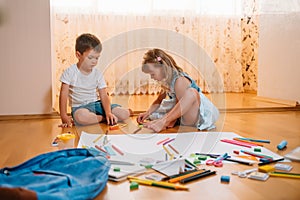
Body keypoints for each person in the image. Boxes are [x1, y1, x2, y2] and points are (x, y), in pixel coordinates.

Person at [137, 48, 219, 132]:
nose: (152, 77)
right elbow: (159, 100)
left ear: (162, 67)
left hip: (196, 116)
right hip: (182, 115)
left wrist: (168, 121)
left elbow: (179, 104)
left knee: (192, 93)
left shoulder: (180, 80)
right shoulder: (166, 81)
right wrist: (147, 113)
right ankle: (163, 120)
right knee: (156, 114)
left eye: (152, 74)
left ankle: (163, 121)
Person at [59, 33, 131, 127]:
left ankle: (113, 114)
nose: (94, 61)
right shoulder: (69, 72)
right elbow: (63, 95)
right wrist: (64, 116)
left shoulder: (97, 73)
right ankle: (103, 118)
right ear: (78, 55)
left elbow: (104, 95)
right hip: (80, 108)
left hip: (98, 105)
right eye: (90, 57)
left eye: (97, 58)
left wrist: (108, 112)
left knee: (124, 114)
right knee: (81, 117)